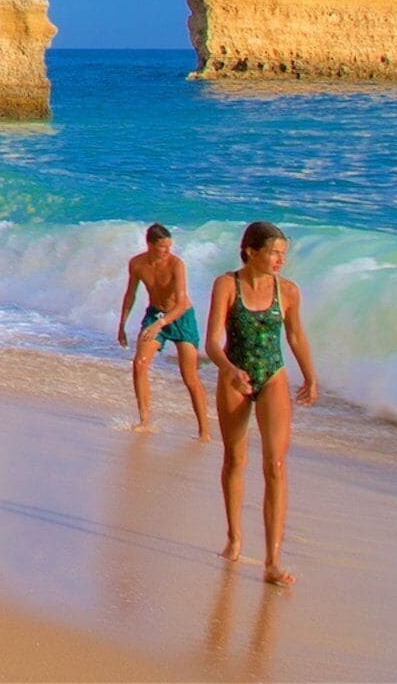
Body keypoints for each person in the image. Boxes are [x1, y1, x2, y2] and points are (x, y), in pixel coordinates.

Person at [207, 219, 318, 587]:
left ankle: (272, 560)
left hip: (272, 375)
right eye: (273, 252)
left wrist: (311, 376)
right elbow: (211, 342)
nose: (279, 260)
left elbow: (296, 335)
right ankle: (234, 538)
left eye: (283, 254)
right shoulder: (227, 285)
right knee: (235, 457)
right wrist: (229, 370)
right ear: (251, 251)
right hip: (234, 375)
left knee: (276, 465)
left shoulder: (288, 292)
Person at [112, 222, 208, 437]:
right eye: (162, 247)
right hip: (155, 314)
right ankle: (145, 420)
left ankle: (204, 431)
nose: (167, 251)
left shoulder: (176, 264)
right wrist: (122, 324)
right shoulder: (137, 264)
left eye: (169, 246)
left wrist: (160, 324)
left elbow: (182, 303)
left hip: (181, 317)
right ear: (149, 245)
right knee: (139, 364)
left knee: (189, 376)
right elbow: (130, 294)